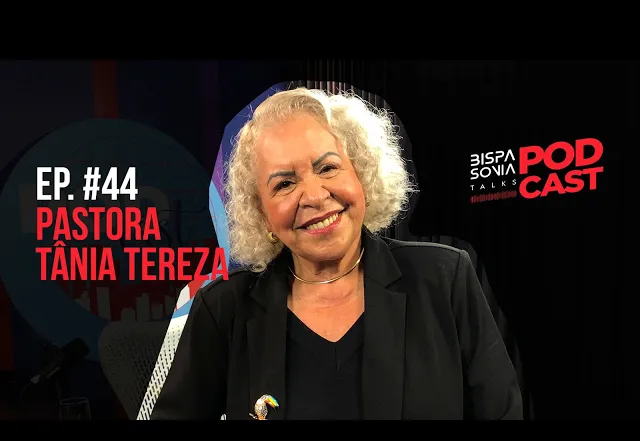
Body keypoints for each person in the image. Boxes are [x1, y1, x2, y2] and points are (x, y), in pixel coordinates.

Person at [150, 87, 523, 420]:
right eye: (284, 184)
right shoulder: (224, 311)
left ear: (361, 173)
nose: (314, 196)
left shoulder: (444, 277)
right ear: (261, 213)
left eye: (327, 167)